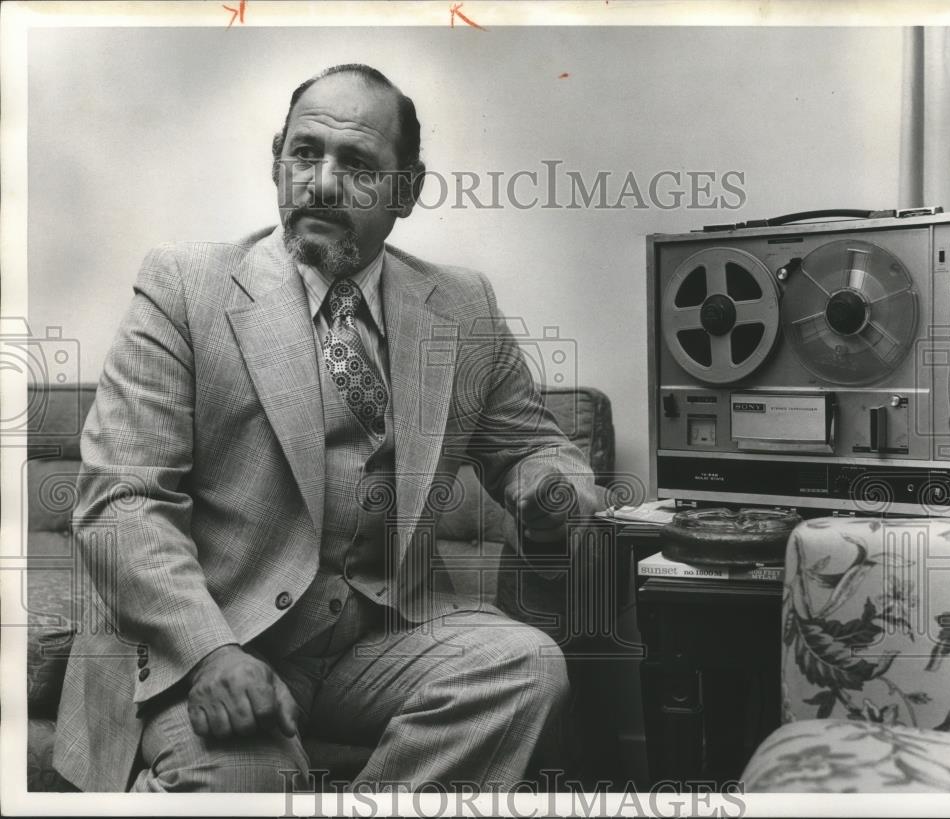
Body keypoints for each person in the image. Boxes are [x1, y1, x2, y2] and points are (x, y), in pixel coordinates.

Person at [53, 63, 600, 793]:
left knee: (525, 666)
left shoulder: (462, 307)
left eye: (359, 165)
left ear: (407, 190)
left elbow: (534, 447)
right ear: (277, 160)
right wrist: (212, 652)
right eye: (305, 153)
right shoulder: (186, 287)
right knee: (249, 782)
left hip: (375, 644)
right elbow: (120, 503)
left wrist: (550, 490)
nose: (322, 183)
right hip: (207, 643)